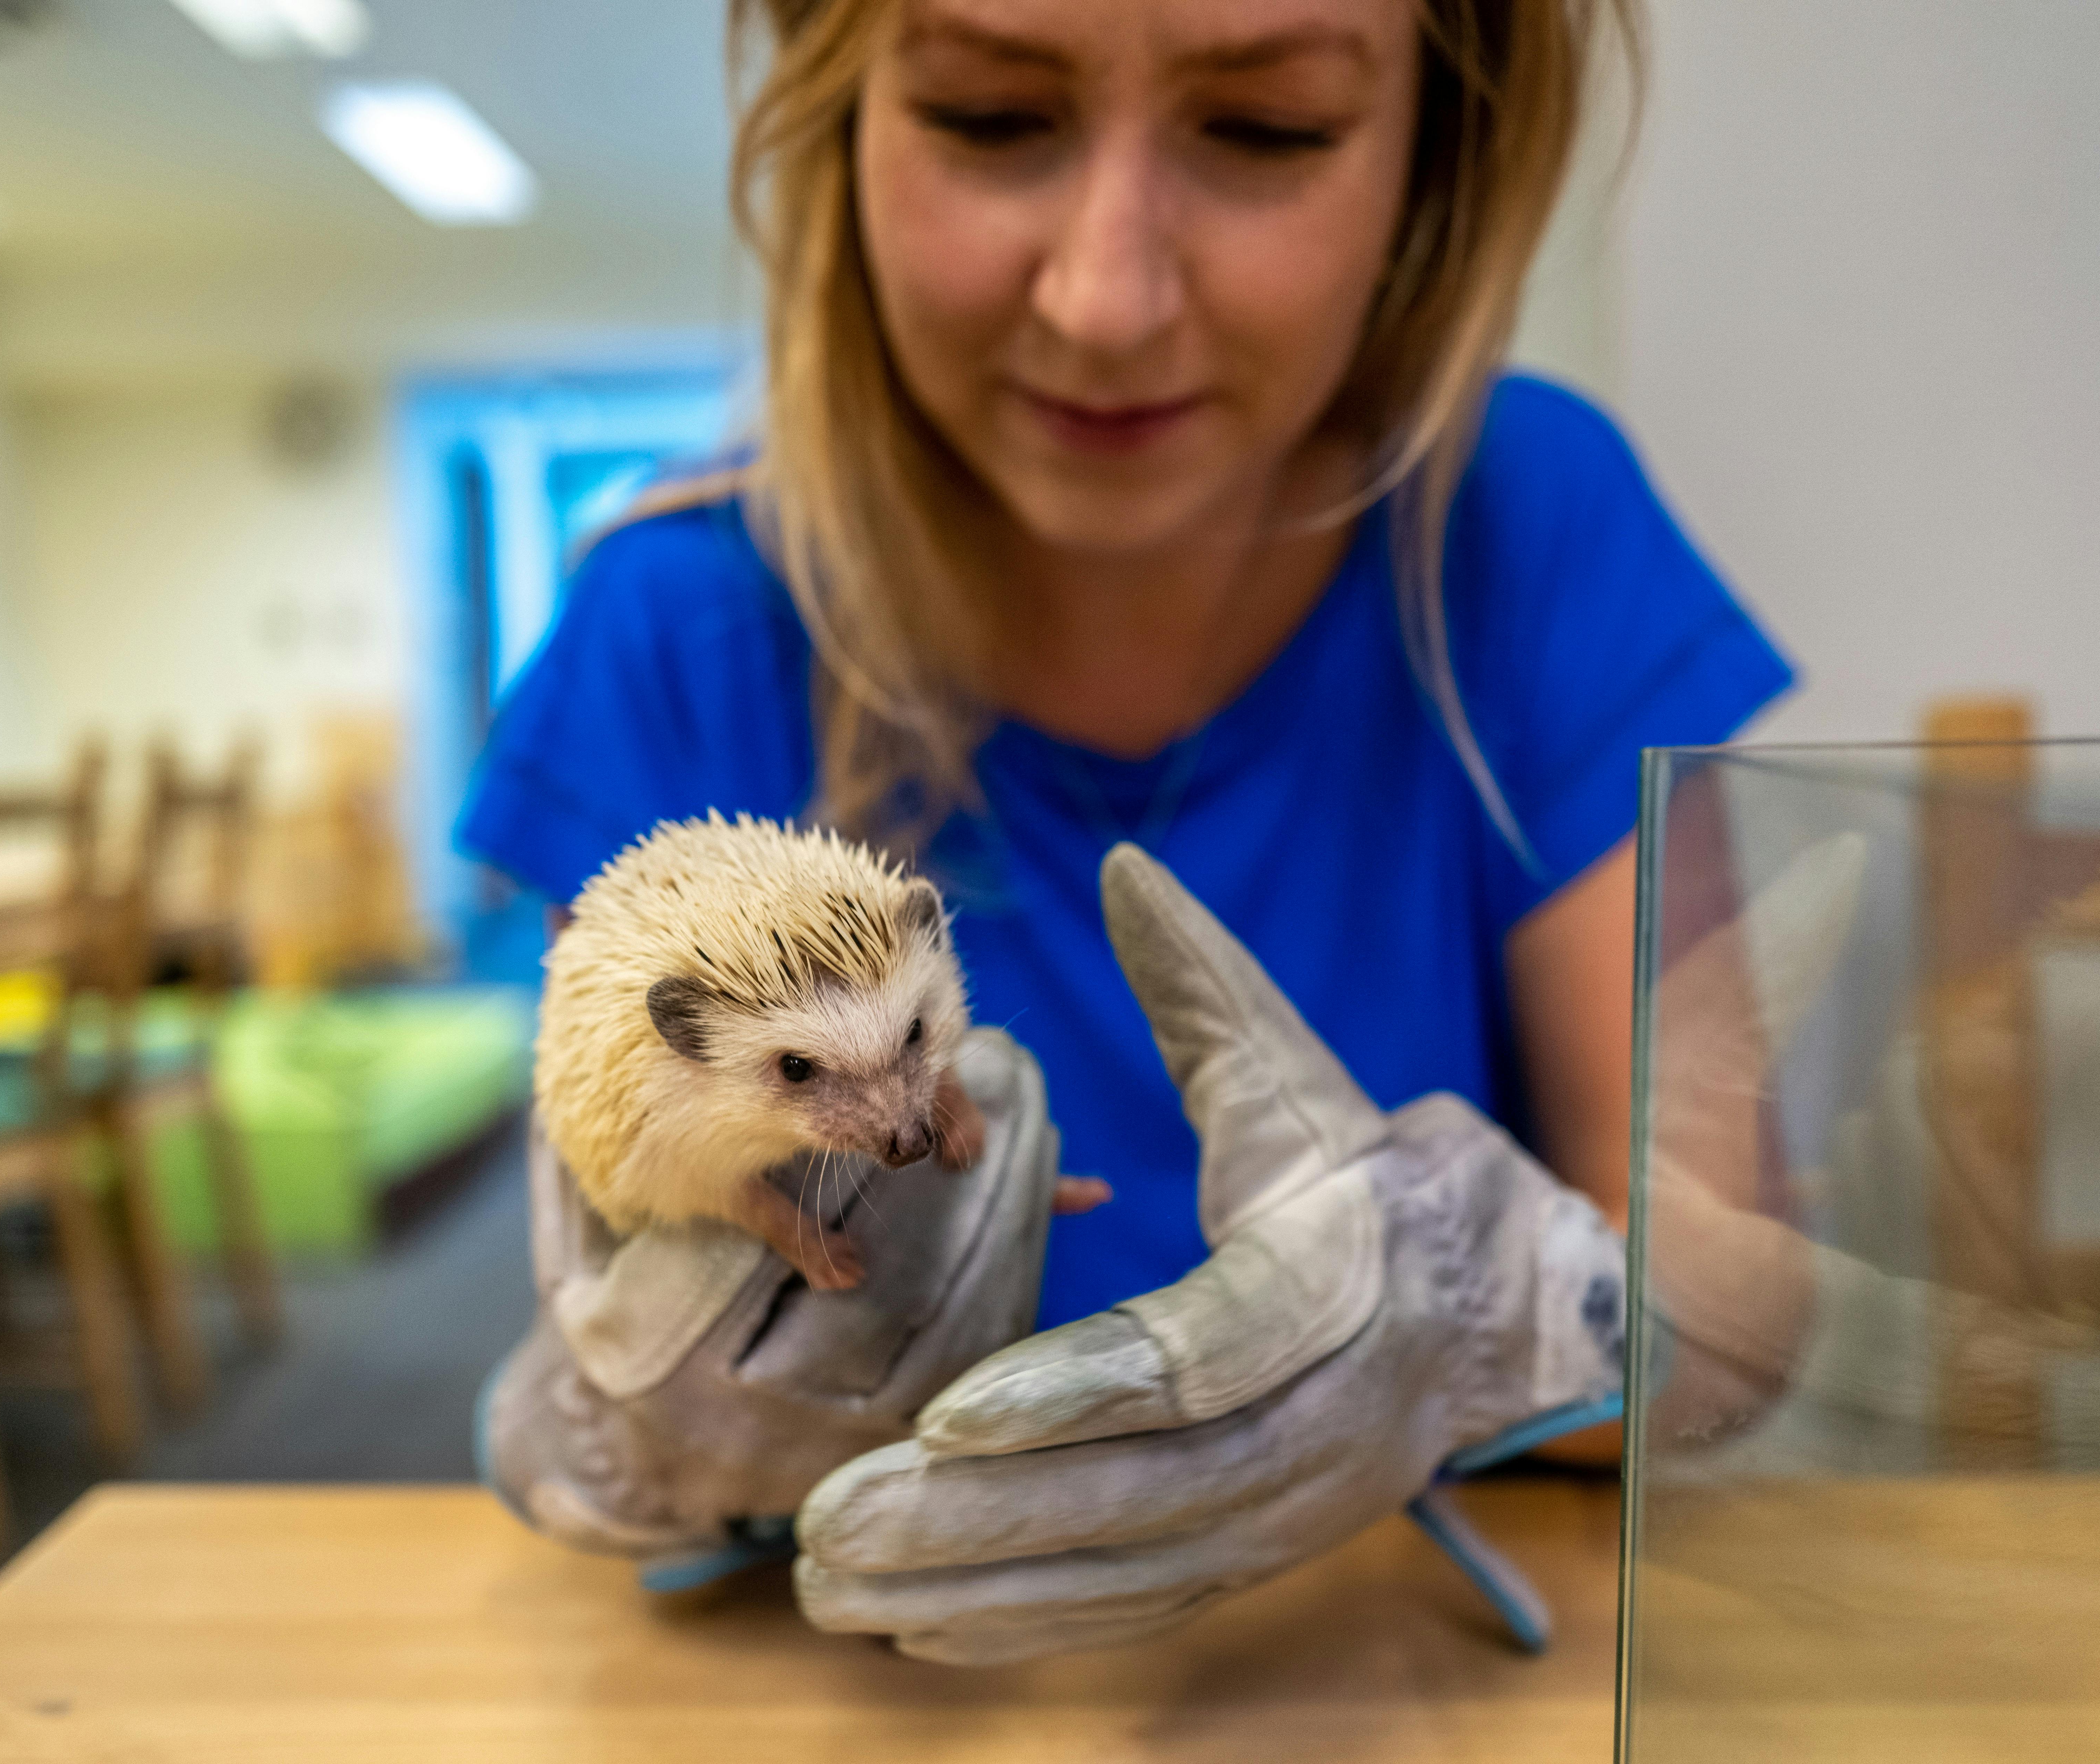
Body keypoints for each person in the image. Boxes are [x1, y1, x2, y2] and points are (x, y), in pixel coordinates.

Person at [458, 0, 1791, 1659]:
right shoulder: (669, 625)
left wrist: (1467, 1322)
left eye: (1268, 128)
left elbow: (1725, 1324)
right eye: (988, 114)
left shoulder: (1534, 524)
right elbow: (612, 1222)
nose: (1103, 300)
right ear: (833, 110)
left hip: (1393, 1662)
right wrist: (632, 1426)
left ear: (1436, 147)